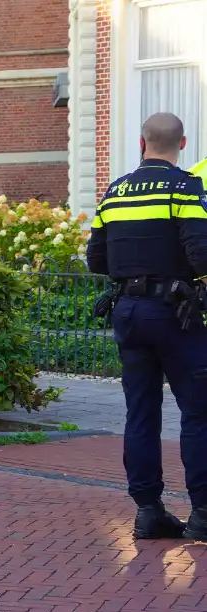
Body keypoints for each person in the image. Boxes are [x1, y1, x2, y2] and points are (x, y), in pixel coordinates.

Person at [87, 112, 207, 541]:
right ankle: (203, 515)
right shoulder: (185, 187)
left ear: (142, 143)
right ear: (183, 143)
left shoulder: (115, 191)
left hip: (128, 313)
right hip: (175, 314)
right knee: (198, 412)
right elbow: (202, 253)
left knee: (141, 414)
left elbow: (96, 260)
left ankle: (148, 511)